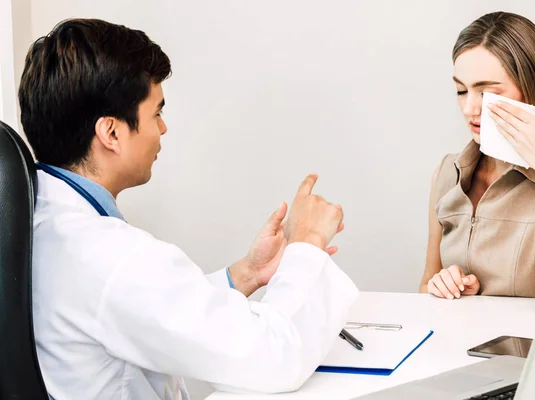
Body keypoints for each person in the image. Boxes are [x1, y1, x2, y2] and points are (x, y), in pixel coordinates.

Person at [19, 19, 358, 399]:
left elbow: (139, 309)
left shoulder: (41, 220)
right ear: (111, 133)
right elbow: (272, 356)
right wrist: (309, 241)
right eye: (156, 113)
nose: (162, 129)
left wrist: (246, 273)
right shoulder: (111, 257)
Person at [419, 12, 535, 304]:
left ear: (531, 89)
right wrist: (442, 287)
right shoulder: (447, 173)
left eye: (487, 92)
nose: (469, 108)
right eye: (461, 91)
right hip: (454, 348)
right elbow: (425, 286)